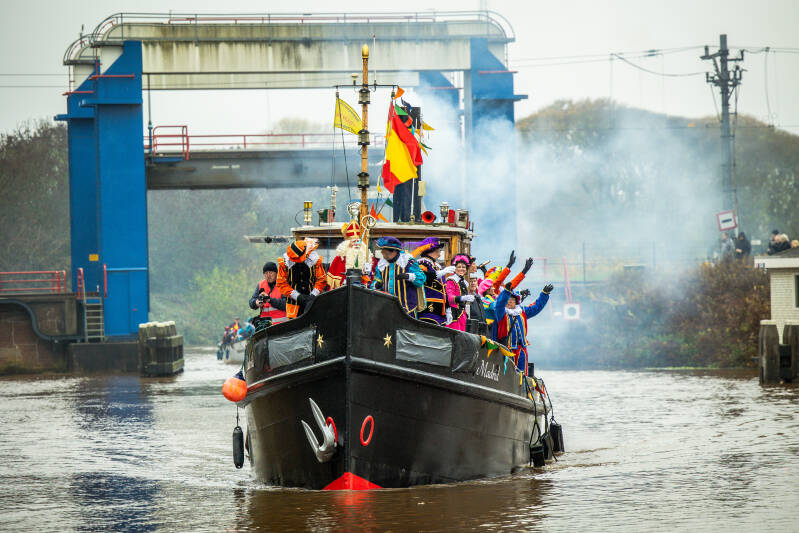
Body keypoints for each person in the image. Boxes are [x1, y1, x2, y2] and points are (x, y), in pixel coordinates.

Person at [494, 283, 553, 375]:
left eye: (512, 300)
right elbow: (499, 304)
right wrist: (506, 292)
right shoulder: (501, 313)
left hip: (521, 349)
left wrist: (544, 294)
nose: (509, 302)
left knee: (522, 375)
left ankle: (522, 388)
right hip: (507, 349)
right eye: (508, 300)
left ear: (516, 302)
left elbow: (536, 307)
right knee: (507, 374)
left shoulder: (522, 312)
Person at [371, 236, 426, 316]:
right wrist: (376, 284)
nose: (382, 253)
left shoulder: (408, 261)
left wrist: (408, 276)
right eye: (382, 251)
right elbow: (377, 279)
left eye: (385, 252)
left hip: (407, 309)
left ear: (394, 252)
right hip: (387, 308)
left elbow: (421, 278)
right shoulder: (381, 265)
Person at [276, 239, 327, 319]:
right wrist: (297, 296)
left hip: (313, 303)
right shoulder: (285, 263)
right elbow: (281, 283)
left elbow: (321, 279)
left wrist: (313, 294)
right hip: (294, 306)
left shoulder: (314, 260)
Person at [414, 237, 455, 325]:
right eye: (438, 251)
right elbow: (424, 277)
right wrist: (442, 272)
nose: (439, 254)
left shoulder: (437, 266)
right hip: (427, 307)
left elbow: (443, 289)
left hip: (440, 310)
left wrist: (448, 309)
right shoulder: (422, 262)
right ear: (431, 250)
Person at [326, 219, 373, 289]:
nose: (356, 244)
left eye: (358, 241)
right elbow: (331, 284)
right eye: (354, 241)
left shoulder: (367, 257)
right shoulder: (339, 259)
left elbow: (372, 279)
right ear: (346, 244)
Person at [444, 255, 473, 331]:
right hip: (454, 315)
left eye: (463, 267)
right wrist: (462, 298)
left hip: (462, 315)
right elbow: (449, 298)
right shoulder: (451, 280)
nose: (461, 269)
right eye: (459, 267)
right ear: (455, 268)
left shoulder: (464, 283)